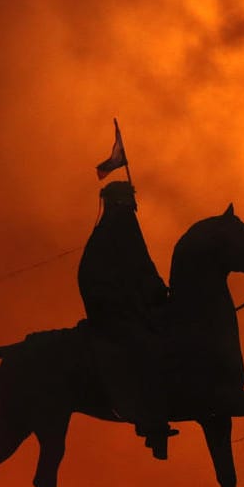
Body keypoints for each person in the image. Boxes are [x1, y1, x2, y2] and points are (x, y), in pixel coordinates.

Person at [77, 179, 176, 459]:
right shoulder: (119, 227)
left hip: (120, 301)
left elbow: (140, 266)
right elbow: (138, 265)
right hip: (112, 307)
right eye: (127, 198)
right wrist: (155, 291)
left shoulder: (113, 227)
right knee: (148, 348)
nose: (131, 204)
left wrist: (154, 289)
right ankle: (151, 420)